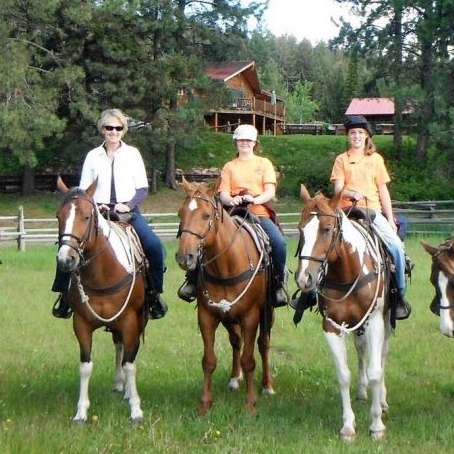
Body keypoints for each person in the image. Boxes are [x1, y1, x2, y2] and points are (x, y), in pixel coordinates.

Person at [51, 109, 168, 320]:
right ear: (102, 130)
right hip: (98, 214)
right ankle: (64, 296)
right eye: (109, 128)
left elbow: (142, 188)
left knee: (155, 246)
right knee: (68, 246)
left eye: (118, 128)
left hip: (127, 213)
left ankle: (154, 295)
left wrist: (128, 205)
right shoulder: (92, 156)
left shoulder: (133, 154)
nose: (113, 132)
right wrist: (98, 205)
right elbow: (85, 190)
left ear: (124, 130)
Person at [178, 124, 288, 307]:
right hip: (231, 213)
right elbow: (223, 194)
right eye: (241, 140)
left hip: (258, 213)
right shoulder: (229, 166)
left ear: (255, 143)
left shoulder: (264, 163)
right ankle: (192, 280)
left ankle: (277, 284)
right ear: (236, 142)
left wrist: (254, 199)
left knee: (278, 243)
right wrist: (232, 200)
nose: (244, 143)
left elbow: (269, 191)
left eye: (248, 140)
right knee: (205, 239)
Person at [317, 115, 411, 319]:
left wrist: (390, 218)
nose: (356, 136)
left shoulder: (375, 160)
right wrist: (351, 194)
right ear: (348, 136)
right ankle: (314, 291)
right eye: (352, 133)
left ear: (367, 136)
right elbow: (338, 187)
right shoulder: (341, 159)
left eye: (360, 133)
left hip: (372, 211)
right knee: (324, 245)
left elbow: (383, 190)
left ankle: (400, 295)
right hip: (346, 212)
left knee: (395, 245)